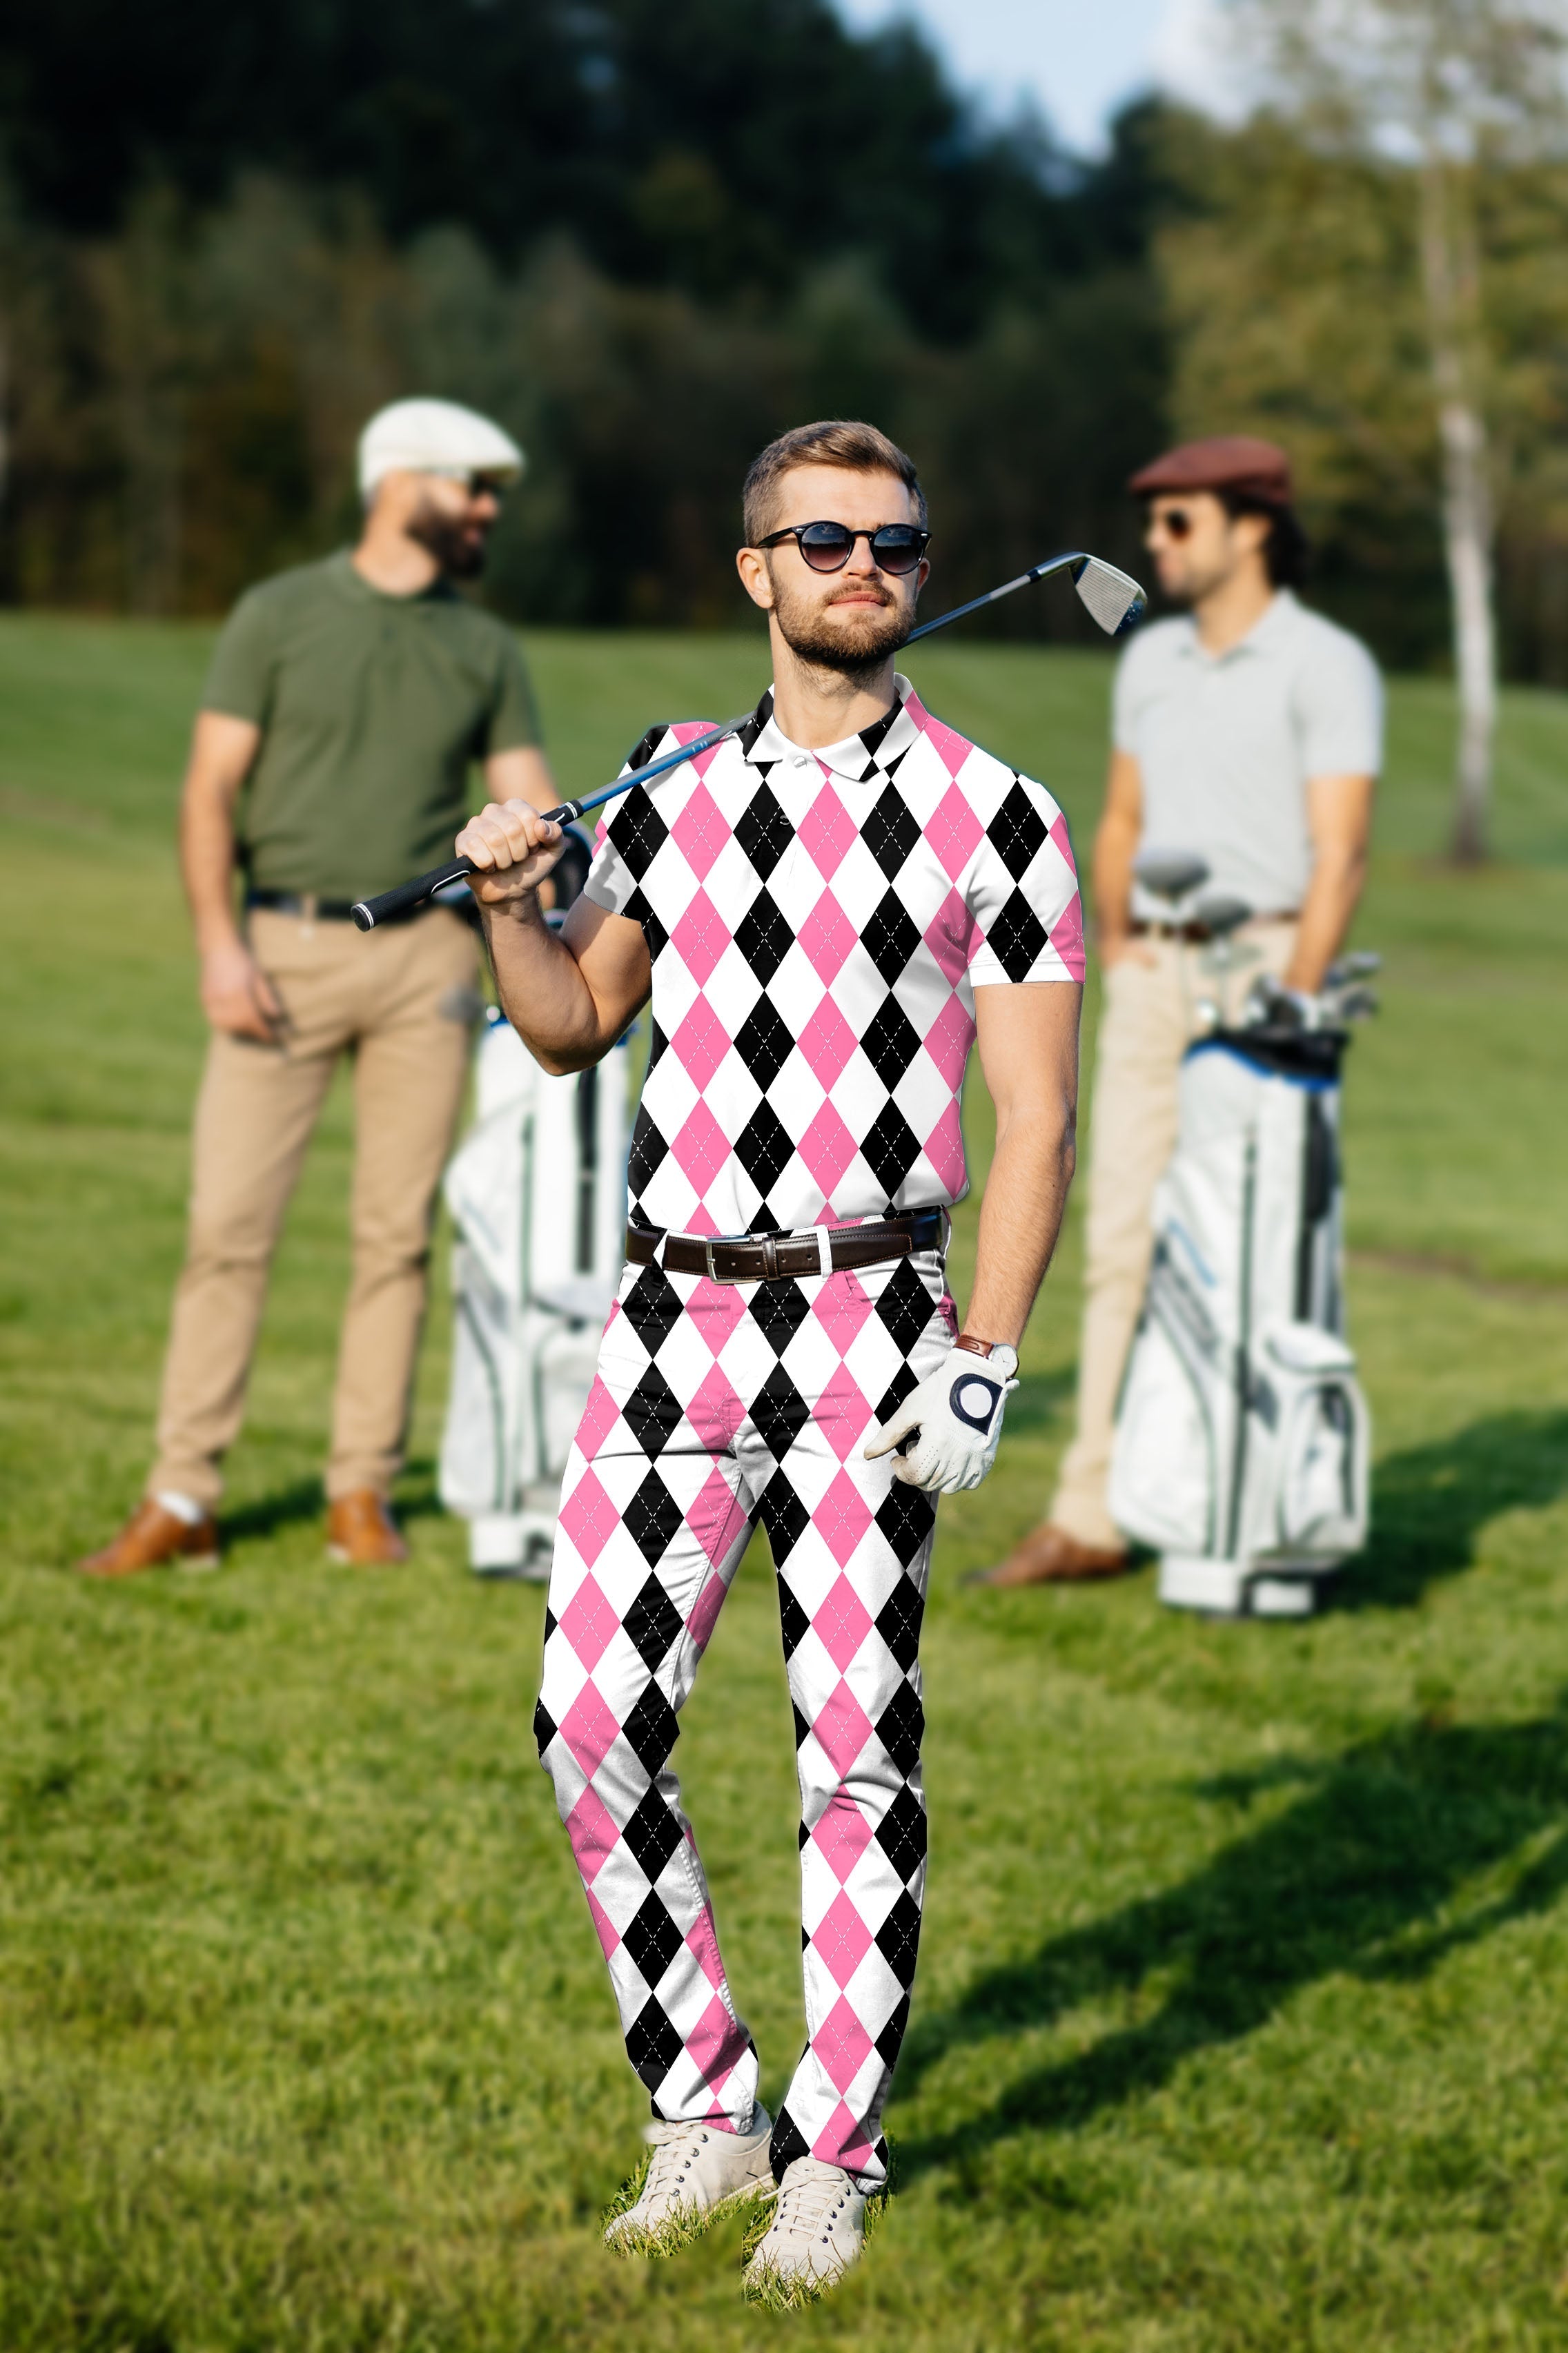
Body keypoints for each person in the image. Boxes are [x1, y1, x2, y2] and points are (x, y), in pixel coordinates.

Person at [453, 420, 1084, 2301]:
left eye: (893, 537)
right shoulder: (666, 789)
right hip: (672, 1317)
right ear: (760, 575)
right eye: (822, 538)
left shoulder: (1003, 809)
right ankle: (705, 2104)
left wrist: (987, 1349)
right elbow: (570, 1025)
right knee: (589, 1719)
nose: (864, 563)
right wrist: (507, 897)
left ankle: (832, 2151)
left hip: (877, 1318)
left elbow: (1039, 1118)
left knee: (851, 1751)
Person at [78, 398, 557, 1577]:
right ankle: (183, 1493)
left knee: (394, 1237)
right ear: (400, 483)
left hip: (430, 966)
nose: (490, 508)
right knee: (226, 1230)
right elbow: (209, 791)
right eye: (473, 485)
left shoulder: (484, 645)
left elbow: (535, 800)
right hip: (278, 950)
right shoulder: (277, 615)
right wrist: (217, 946)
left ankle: (360, 1496)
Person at [981, 434, 1382, 1589]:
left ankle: (1245, 1509)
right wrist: (1122, 947)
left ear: (1253, 526)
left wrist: (1294, 1004)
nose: (1155, 543)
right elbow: (1119, 822)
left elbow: (1342, 854)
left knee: (1250, 1251)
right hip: (1154, 973)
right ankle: (1094, 1511)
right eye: (1150, 522)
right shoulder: (1150, 660)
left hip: (1266, 971)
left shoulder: (1326, 662)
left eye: (1178, 522)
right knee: (1117, 1245)